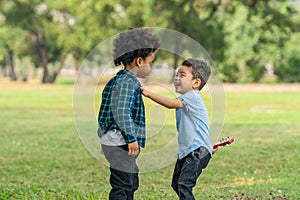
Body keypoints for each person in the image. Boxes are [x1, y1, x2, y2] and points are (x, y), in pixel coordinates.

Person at [97, 28, 160, 200]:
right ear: (140, 61)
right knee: (123, 186)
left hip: (116, 141)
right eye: (151, 63)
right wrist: (131, 138)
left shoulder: (118, 80)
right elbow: (121, 112)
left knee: (130, 181)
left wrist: (106, 139)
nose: (151, 68)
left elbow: (106, 113)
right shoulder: (127, 83)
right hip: (122, 142)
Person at [141, 58, 212, 199]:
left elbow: (171, 104)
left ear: (196, 83)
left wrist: (148, 94)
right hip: (190, 150)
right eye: (176, 75)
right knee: (176, 184)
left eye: (182, 75)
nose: (177, 78)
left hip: (197, 150)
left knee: (184, 185)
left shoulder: (191, 96)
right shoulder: (188, 98)